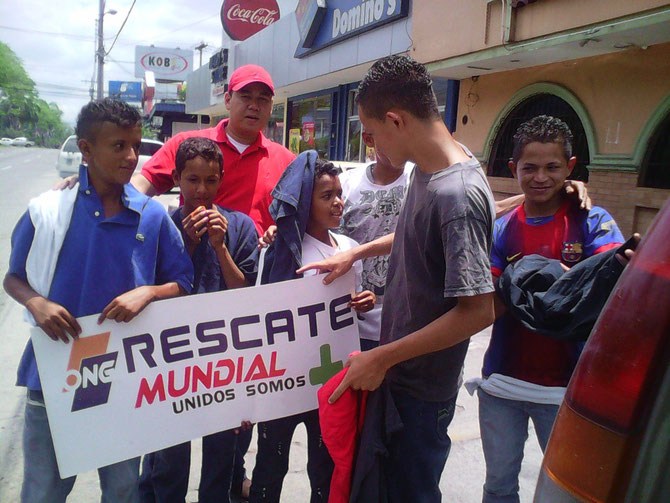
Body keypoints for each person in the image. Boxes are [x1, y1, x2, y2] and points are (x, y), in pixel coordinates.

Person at [300, 55, 497, 503]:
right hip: (401, 377)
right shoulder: (432, 167)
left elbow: (477, 310)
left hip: (421, 392)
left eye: (371, 134)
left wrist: (383, 357)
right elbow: (417, 234)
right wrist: (358, 252)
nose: (370, 145)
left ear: (395, 119)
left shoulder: (456, 192)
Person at [3, 98, 193, 503]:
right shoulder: (50, 211)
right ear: (86, 150)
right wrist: (36, 303)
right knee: (43, 492)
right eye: (118, 145)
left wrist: (150, 292)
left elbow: (183, 282)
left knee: (123, 490)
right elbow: (13, 278)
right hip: (54, 374)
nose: (130, 157)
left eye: (135, 146)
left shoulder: (152, 215)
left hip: (125, 376)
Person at [475, 115, 624, 503]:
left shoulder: (592, 220)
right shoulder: (502, 229)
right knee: (498, 486)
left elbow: (608, 283)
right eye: (530, 167)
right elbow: (490, 297)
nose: (541, 176)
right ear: (514, 170)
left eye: (553, 167)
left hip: (568, 392)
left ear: (570, 168)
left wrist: (528, 278)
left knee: (566, 493)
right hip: (502, 383)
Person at [250, 153, 375, 503]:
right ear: (306, 201)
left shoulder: (349, 249)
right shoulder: (282, 252)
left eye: (339, 193)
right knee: (269, 467)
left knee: (326, 468)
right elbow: (259, 316)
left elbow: (353, 305)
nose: (338, 202)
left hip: (330, 381)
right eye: (326, 196)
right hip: (283, 383)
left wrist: (364, 300)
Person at [143, 137, 259, 503]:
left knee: (223, 460)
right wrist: (189, 245)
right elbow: (153, 290)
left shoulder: (239, 226)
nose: (202, 190)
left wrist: (219, 246)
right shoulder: (161, 225)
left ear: (221, 178)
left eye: (211, 180)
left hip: (223, 362)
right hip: (172, 363)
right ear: (177, 178)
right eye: (192, 180)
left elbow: (245, 294)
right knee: (168, 461)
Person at [136, 64, 295, 236]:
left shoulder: (288, 162)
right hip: (195, 257)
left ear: (271, 106)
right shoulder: (187, 144)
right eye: (245, 96)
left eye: (262, 99)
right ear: (227, 100)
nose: (254, 106)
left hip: (258, 260)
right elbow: (140, 187)